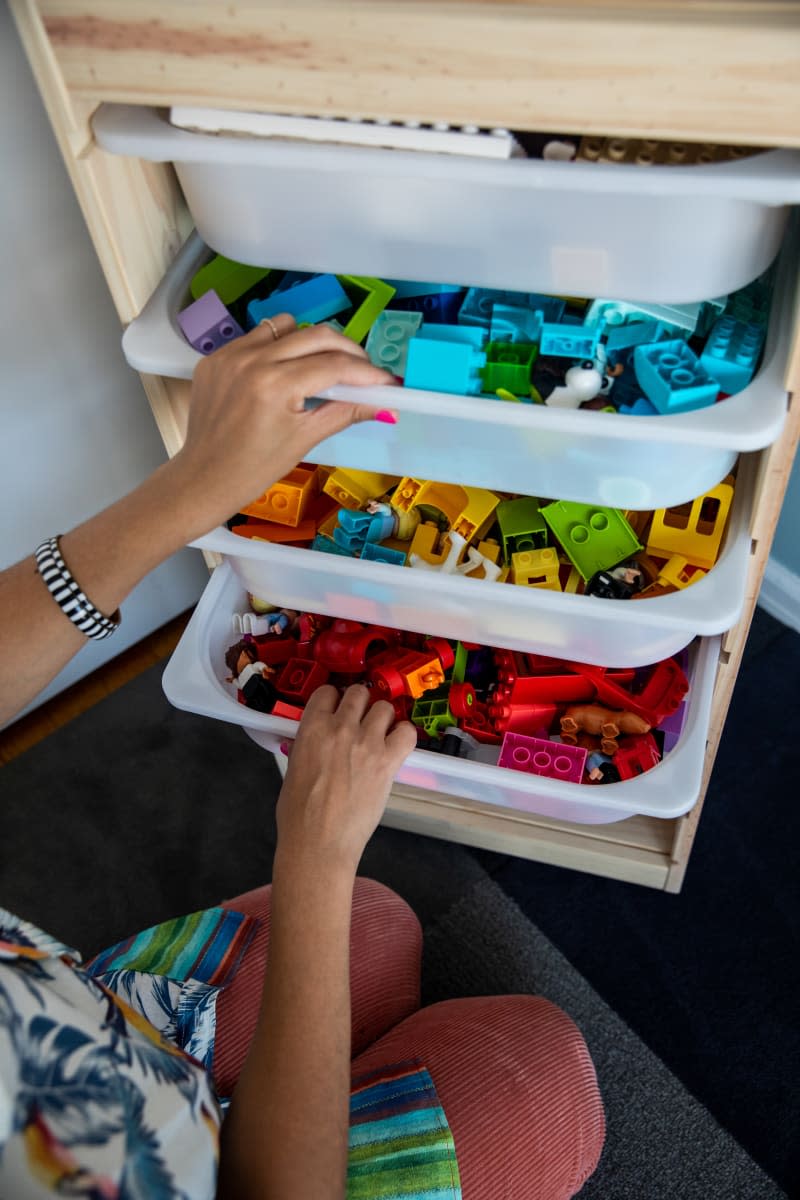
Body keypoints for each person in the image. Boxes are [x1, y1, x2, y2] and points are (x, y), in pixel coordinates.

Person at [0, 318, 605, 1198]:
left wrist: (184, 493)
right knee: (545, 1066)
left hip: (104, 1036)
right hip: (189, 1177)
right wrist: (315, 854)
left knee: (378, 923)